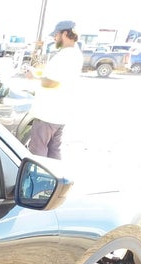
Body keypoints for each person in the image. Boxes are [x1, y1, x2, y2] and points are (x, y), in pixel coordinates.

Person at [27, 20, 83, 159]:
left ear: (65, 33)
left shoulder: (66, 55)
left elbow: (53, 82)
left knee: (37, 152)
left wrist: (34, 76)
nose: (54, 38)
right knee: (54, 151)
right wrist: (39, 72)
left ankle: (37, 174)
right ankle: (54, 173)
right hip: (59, 114)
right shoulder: (75, 54)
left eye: (56, 35)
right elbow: (57, 78)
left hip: (48, 114)